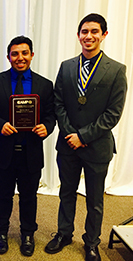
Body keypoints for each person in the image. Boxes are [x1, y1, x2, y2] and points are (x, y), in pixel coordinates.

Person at [44, 13, 127, 261]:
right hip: (68, 145)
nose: (88, 36)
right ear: (78, 35)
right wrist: (71, 134)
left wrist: (83, 136)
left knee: (94, 199)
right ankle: (64, 233)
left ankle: (91, 242)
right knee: (66, 192)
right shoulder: (67, 66)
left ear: (104, 34)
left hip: (97, 146)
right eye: (84, 31)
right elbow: (58, 102)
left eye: (94, 31)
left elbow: (113, 113)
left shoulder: (116, 70)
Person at [0, 36, 55, 256]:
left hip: (31, 151)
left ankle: (28, 234)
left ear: (32, 54)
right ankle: (0, 233)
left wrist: (46, 128)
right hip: (3, 151)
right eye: (14, 54)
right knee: (3, 194)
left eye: (24, 53)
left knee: (29, 196)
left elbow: (51, 116)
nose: (19, 58)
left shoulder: (45, 85)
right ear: (8, 56)